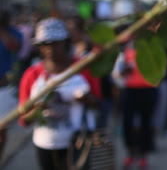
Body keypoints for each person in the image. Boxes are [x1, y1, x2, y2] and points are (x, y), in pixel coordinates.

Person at [19, 18, 101, 170]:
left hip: (78, 143)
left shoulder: (82, 68)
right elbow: (23, 119)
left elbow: (98, 102)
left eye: (55, 43)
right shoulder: (32, 74)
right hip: (45, 144)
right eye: (45, 44)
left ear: (66, 42)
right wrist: (36, 111)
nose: (50, 49)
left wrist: (86, 99)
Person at [112, 32, 158, 170]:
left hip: (148, 89)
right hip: (130, 90)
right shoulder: (125, 50)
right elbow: (117, 72)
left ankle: (143, 155)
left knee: (146, 122)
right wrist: (123, 71)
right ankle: (130, 153)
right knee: (127, 122)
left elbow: (160, 69)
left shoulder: (151, 48)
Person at [0, 10, 23, 164]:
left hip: (5, 89)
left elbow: (14, 46)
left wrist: (2, 30)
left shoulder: (15, 33)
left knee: (2, 131)